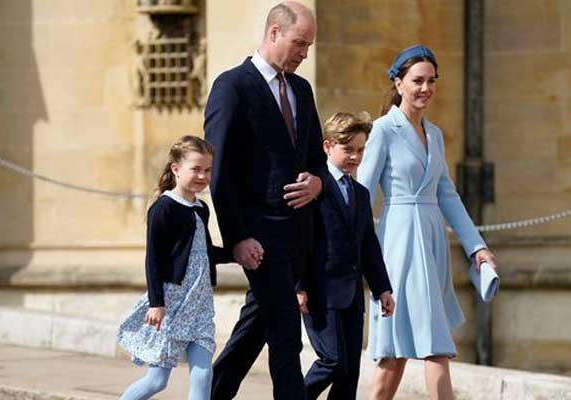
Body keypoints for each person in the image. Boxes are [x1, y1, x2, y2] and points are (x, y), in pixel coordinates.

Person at [356, 45, 498, 400]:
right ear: (398, 82)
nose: (425, 88)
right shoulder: (383, 131)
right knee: (429, 345)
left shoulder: (434, 134)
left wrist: (477, 247)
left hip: (432, 243)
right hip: (399, 244)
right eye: (417, 80)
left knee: (398, 351)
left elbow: (448, 194)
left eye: (431, 81)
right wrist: (350, 252)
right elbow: (361, 196)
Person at [203, 2, 326, 399]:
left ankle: (210, 395)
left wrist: (318, 184)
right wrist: (237, 237)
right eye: (299, 43)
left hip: (297, 238)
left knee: (254, 328)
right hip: (258, 238)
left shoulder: (302, 90)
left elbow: (317, 161)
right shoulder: (232, 86)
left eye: (309, 46)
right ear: (274, 32)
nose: (304, 54)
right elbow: (218, 174)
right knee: (287, 335)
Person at [116, 135, 229, 400]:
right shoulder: (163, 209)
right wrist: (157, 303)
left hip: (200, 304)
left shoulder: (201, 208)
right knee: (156, 381)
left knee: (203, 374)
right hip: (172, 304)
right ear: (176, 169)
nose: (202, 176)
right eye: (196, 169)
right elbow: (153, 260)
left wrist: (237, 253)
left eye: (207, 170)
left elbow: (204, 252)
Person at [302, 112, 395, 400]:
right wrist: (297, 286)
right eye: (348, 150)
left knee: (349, 371)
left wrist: (382, 288)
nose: (355, 157)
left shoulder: (361, 194)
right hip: (320, 293)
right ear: (328, 147)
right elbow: (299, 240)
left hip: (352, 297)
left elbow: (368, 245)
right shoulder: (313, 187)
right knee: (331, 361)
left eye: (360, 150)